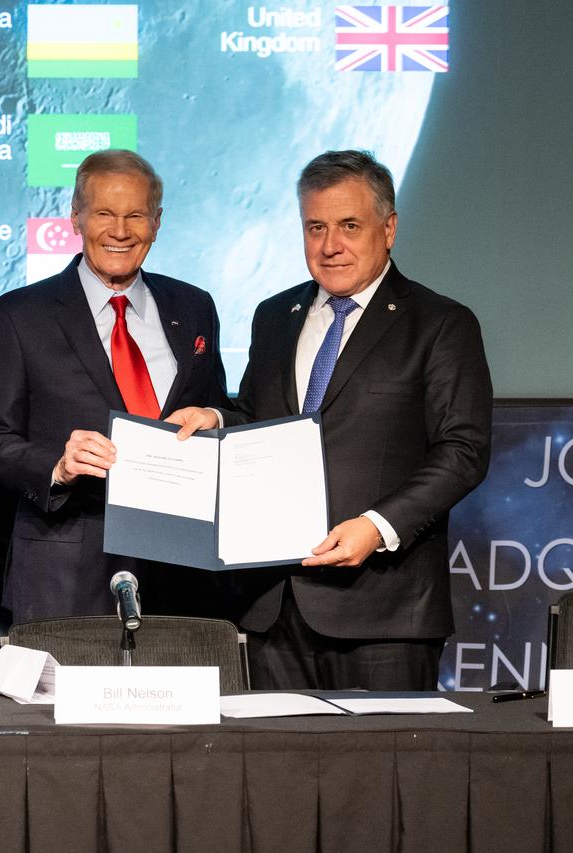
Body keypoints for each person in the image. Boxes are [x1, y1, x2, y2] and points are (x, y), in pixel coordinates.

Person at [169, 150, 492, 690]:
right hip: (273, 606)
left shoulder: (440, 323)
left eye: (349, 225)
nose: (329, 245)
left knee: (385, 775)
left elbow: (463, 450)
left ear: (388, 229)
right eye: (315, 227)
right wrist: (216, 418)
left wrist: (377, 526)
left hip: (384, 611)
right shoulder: (274, 315)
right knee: (273, 774)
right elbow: (259, 418)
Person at [0, 150, 231, 623]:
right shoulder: (18, 315)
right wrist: (58, 467)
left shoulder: (194, 306)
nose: (120, 231)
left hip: (183, 573)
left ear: (157, 222)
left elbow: (216, 406)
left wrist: (215, 417)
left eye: (136, 215)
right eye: (104, 214)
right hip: (64, 574)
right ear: (75, 216)